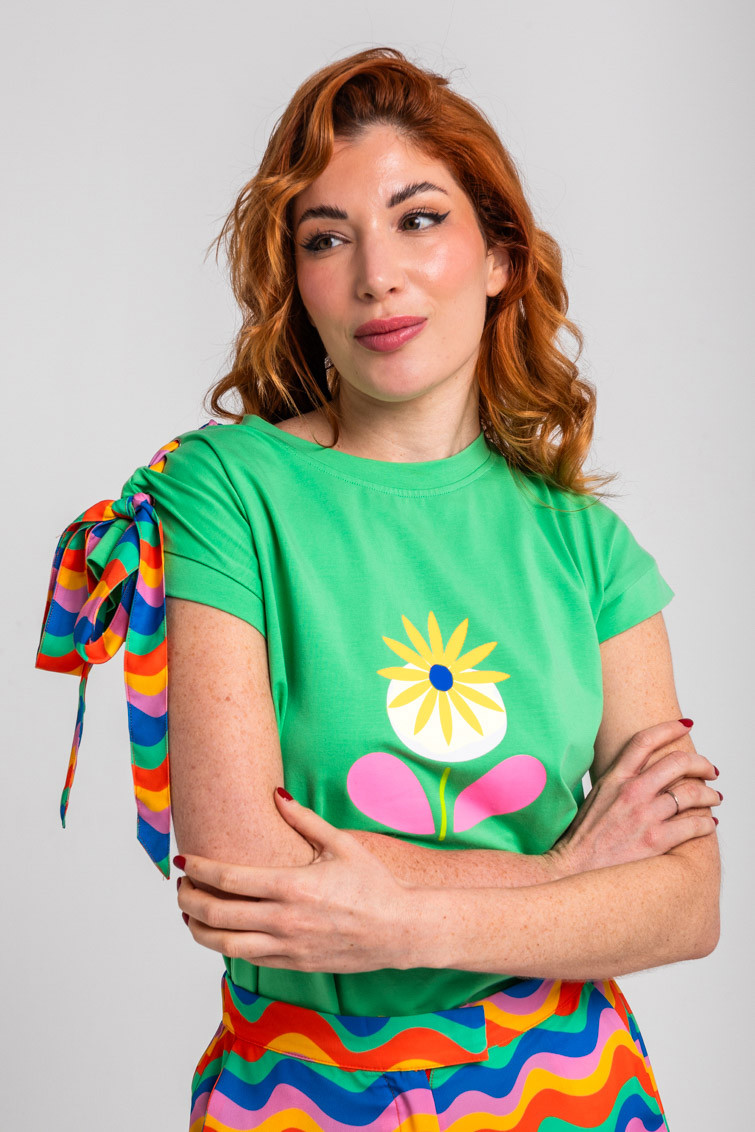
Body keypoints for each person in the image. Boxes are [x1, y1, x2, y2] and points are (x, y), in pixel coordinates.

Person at [35, 47, 721, 1131]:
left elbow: (685, 903)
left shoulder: (589, 547)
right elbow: (243, 876)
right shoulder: (224, 489)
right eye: (326, 238)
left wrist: (394, 919)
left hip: (575, 1093)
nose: (374, 275)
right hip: (303, 1096)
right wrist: (569, 872)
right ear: (296, 282)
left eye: (417, 220)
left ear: (498, 256)